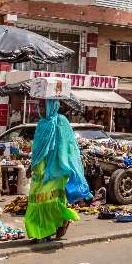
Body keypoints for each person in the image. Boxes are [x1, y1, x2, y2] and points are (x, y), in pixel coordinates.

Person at [25, 99, 87, 242]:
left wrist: (69, 166)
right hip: (39, 169)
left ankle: (49, 229)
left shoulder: (61, 121)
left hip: (55, 169)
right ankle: (39, 231)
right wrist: (30, 166)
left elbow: (69, 146)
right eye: (39, 105)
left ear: (51, 106)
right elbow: (37, 151)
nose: (40, 109)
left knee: (50, 201)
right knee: (35, 201)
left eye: (43, 105)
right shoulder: (41, 124)